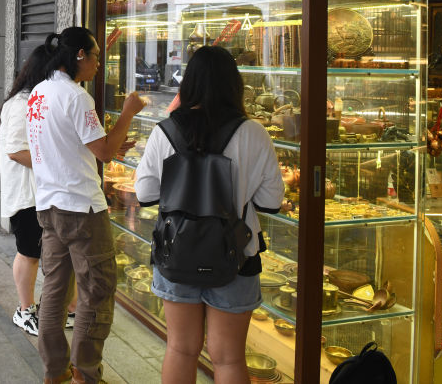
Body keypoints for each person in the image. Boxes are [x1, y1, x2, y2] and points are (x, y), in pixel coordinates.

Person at [133, 46, 286, 384]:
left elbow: (144, 194)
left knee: (180, 348)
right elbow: (271, 201)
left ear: (188, 83)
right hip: (236, 256)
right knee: (229, 359)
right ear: (235, 85)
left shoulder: (165, 131)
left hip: (177, 252)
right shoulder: (253, 132)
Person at [27, 27, 146, 384]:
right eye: (95, 56)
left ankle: (56, 371)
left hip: (49, 206)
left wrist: (110, 142)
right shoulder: (77, 97)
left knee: (55, 290)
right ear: (79, 55)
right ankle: (86, 371)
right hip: (81, 210)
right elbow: (105, 153)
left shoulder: (39, 92)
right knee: (97, 289)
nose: (98, 64)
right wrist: (128, 112)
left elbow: (73, 144)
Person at [0, 46, 77, 337]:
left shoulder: (36, 100)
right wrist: (55, 164)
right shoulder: (22, 103)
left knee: (50, 253)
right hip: (27, 194)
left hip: (42, 192)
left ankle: (61, 308)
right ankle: (25, 310)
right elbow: (16, 150)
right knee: (29, 253)